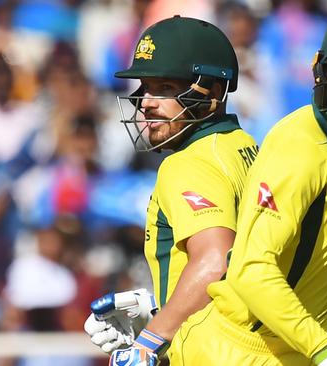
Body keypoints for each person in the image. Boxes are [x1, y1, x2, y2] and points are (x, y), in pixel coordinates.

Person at [168, 6, 327, 366]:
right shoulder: (302, 146)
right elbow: (252, 271)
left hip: (294, 350)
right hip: (232, 351)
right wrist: (326, 350)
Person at [82, 15, 258, 364]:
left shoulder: (188, 162)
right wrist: (159, 307)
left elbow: (215, 262)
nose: (146, 102)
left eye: (164, 88)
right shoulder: (245, 146)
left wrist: (149, 340)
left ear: (213, 90)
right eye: (145, 87)